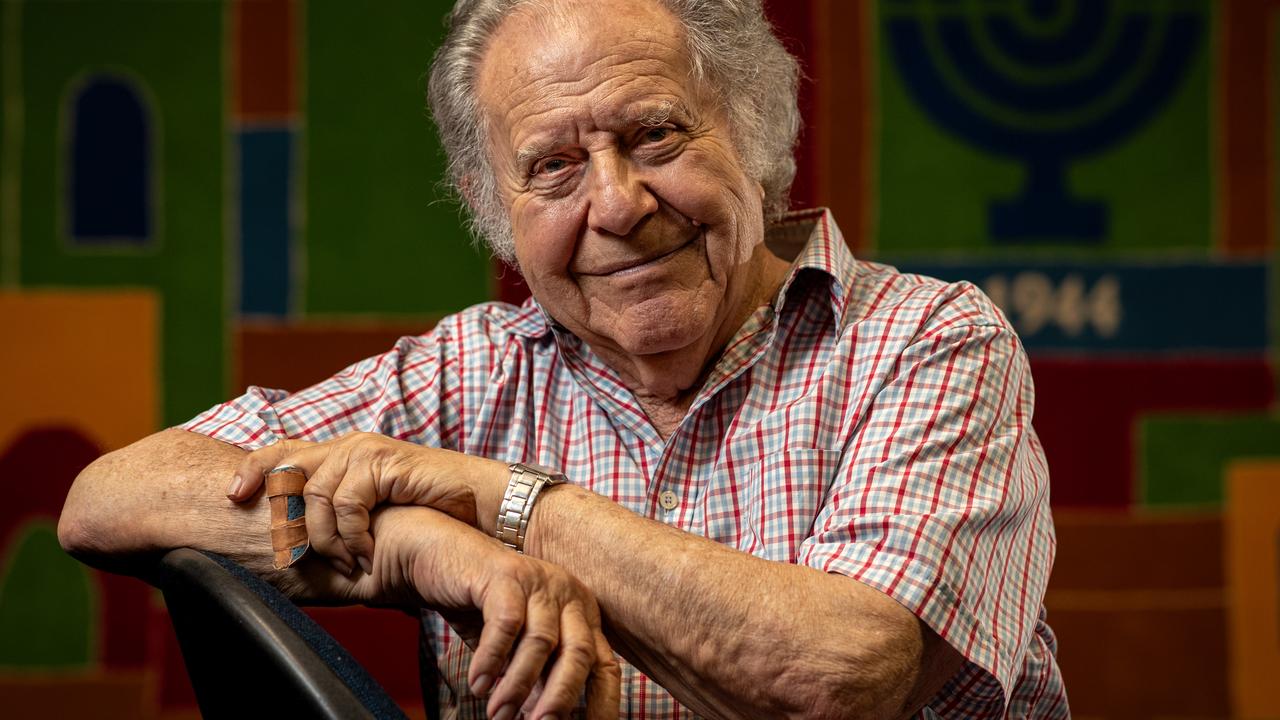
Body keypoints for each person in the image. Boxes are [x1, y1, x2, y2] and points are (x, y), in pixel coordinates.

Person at [59, 0, 1068, 717]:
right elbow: (109, 499)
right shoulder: (461, 376)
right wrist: (420, 547)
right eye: (553, 167)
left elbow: (845, 676)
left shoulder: (928, 343)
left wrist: (511, 506)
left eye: (655, 135)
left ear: (756, 131)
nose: (618, 202)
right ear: (496, 212)